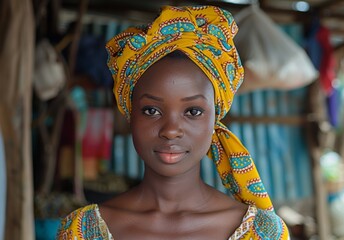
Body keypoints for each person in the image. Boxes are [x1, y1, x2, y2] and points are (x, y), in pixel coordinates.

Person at [57, 5, 290, 239]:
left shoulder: (263, 233)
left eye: (193, 111)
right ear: (130, 115)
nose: (170, 130)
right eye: (151, 110)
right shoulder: (81, 231)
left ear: (215, 118)